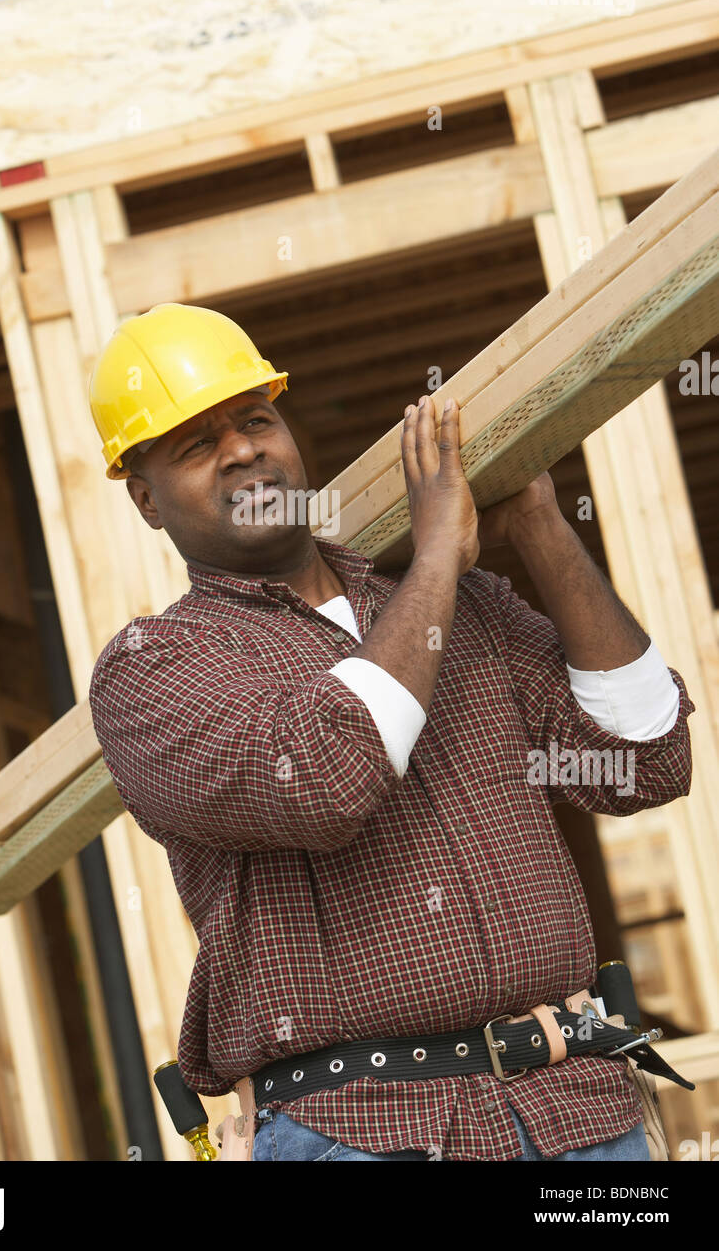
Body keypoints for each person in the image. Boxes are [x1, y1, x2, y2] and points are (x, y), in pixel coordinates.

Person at [87, 302, 694, 1161]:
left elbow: (647, 761)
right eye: (196, 445)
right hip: (365, 1131)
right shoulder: (156, 669)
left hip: (580, 1112)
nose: (243, 450)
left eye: (255, 420)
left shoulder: (468, 608)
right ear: (146, 499)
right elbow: (329, 778)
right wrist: (441, 548)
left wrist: (537, 523)